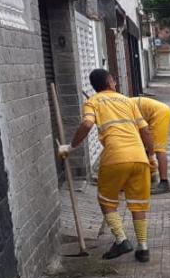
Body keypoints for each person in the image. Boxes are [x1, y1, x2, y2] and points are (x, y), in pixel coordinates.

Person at [59, 69, 154, 263]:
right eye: (114, 80)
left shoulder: (92, 101)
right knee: (138, 203)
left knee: (106, 201)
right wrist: (151, 155)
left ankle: (121, 240)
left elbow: (86, 124)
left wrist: (69, 147)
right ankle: (143, 248)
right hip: (139, 158)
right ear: (109, 82)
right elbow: (145, 130)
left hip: (115, 158)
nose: (116, 83)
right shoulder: (127, 101)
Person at [136, 96, 170, 194]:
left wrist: (151, 153)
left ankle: (164, 183)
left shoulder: (122, 108)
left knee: (159, 149)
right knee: (146, 146)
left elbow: (145, 131)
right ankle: (151, 178)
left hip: (160, 113)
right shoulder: (122, 104)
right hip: (157, 113)